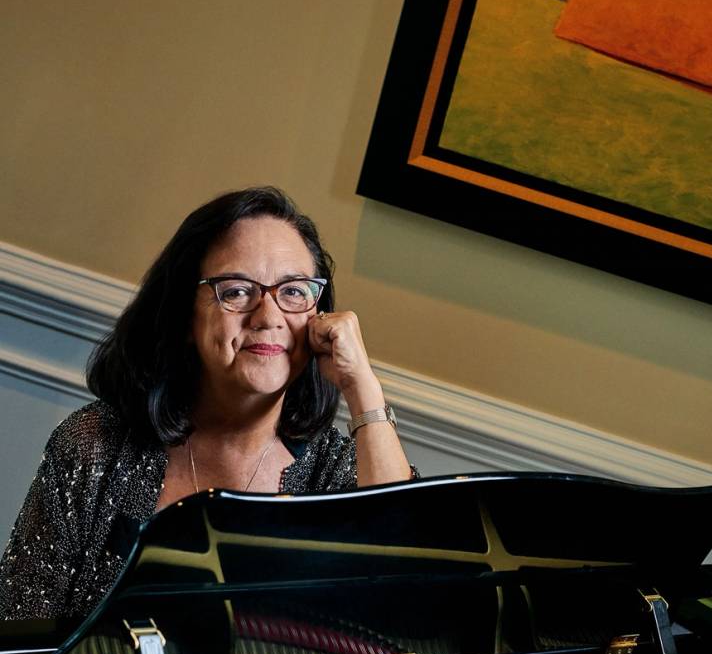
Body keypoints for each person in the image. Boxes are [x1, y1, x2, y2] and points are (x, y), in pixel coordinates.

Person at [0, 186, 415, 622]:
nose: (269, 316)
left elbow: (408, 601)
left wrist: (363, 387)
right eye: (236, 291)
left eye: (293, 291)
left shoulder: (337, 472)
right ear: (184, 312)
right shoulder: (96, 446)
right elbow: (17, 631)